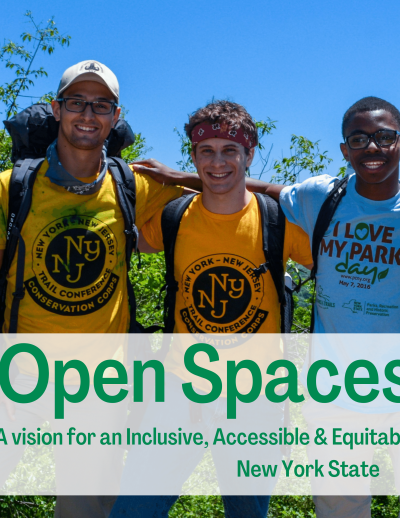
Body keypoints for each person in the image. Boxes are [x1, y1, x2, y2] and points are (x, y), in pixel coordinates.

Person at [243, 96, 400, 518]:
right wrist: (178, 178)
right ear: (345, 150)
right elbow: (254, 189)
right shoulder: (323, 197)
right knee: (340, 507)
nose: (372, 147)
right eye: (359, 138)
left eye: (384, 137)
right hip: (334, 390)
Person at [0, 60, 189, 517]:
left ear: (116, 116)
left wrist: (181, 177)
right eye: (77, 102)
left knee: (85, 510)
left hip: (100, 388)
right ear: (57, 109)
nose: (88, 114)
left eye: (101, 104)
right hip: (19, 378)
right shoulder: (13, 188)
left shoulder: (134, 185)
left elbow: (227, 192)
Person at [109, 100, 313, 518]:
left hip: (256, 398)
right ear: (193, 155)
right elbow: (109, 238)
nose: (217, 162)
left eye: (229, 151)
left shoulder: (279, 223)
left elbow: (349, 258)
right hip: (179, 392)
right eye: (206, 151)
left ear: (249, 154)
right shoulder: (174, 218)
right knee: (133, 510)